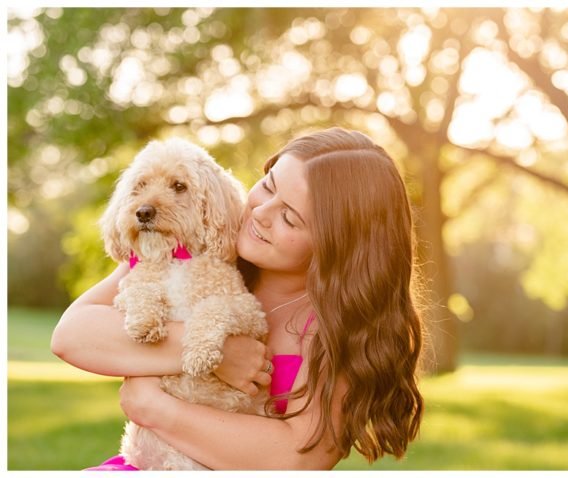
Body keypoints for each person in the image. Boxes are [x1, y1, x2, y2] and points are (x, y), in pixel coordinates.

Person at [51, 128, 425, 469]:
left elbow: (296, 460)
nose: (260, 213)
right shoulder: (199, 247)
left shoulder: (336, 328)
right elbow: (72, 335)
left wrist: (155, 407)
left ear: (336, 248)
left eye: (290, 218)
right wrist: (218, 353)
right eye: (268, 184)